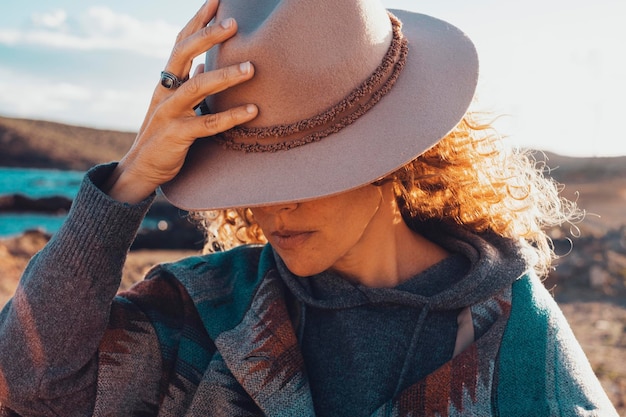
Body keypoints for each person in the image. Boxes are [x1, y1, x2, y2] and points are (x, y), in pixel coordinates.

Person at [0, 0, 618, 415]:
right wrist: (129, 181)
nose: (272, 206)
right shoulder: (207, 308)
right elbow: (31, 388)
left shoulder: (517, 341)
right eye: (251, 173)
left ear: (391, 155)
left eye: (304, 169)